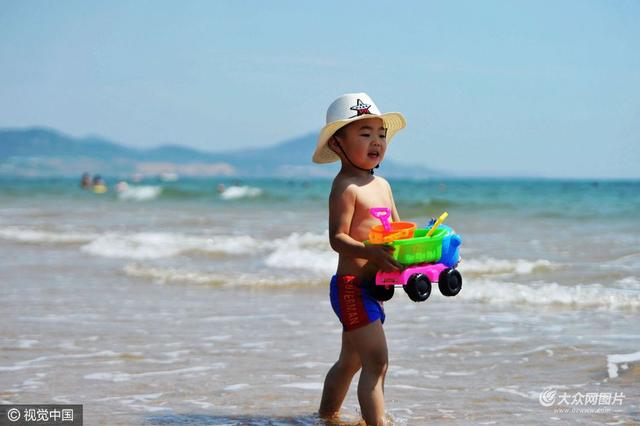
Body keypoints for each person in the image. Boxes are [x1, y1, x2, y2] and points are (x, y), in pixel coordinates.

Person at [313, 93, 406, 425]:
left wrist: (424, 251)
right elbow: (337, 239)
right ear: (338, 144)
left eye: (381, 134)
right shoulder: (346, 188)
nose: (376, 142)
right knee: (377, 361)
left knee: (350, 361)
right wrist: (369, 251)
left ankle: (326, 416)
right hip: (351, 288)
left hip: (375, 286)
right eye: (364, 134)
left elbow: (396, 231)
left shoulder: (383, 185)